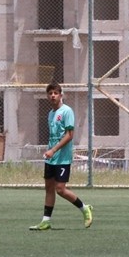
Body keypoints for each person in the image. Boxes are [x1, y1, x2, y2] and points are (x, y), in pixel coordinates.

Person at [29, 82, 93, 231]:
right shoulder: (51, 113)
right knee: (49, 188)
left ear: (61, 95)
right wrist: (49, 151)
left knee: (60, 189)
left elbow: (69, 135)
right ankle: (46, 221)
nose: (52, 96)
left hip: (62, 157)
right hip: (51, 157)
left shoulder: (67, 111)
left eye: (55, 93)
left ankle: (85, 208)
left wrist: (54, 150)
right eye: (50, 93)